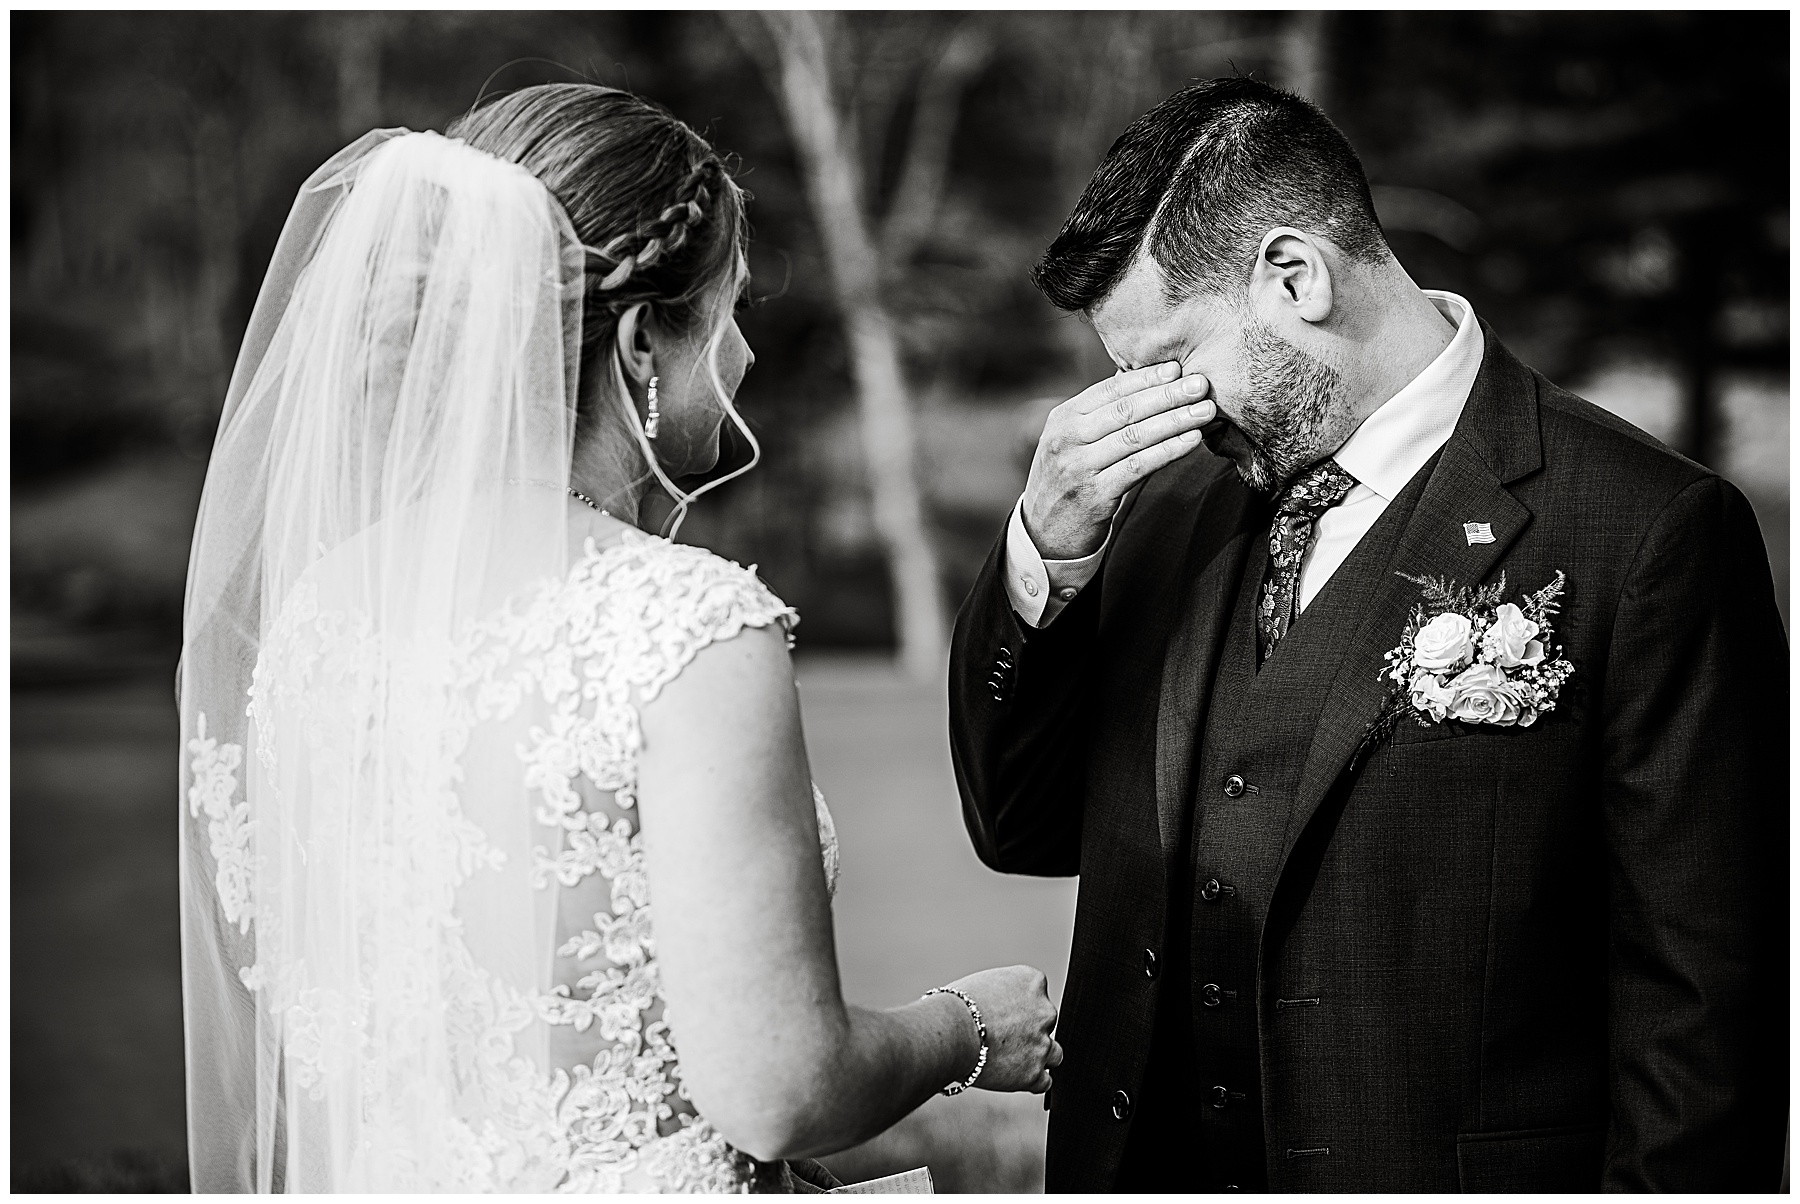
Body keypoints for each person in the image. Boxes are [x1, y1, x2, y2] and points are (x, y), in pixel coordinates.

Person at [177, 83, 1060, 1193]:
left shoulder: (324, 616)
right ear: (644, 341)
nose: (742, 357)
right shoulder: (684, 629)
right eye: (729, 310)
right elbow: (781, 1088)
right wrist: (966, 1024)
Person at [948, 77, 1786, 1192]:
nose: (1149, 408)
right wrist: (1047, 557)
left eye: (1167, 359)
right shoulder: (1156, 517)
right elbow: (1021, 826)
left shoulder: (1647, 531)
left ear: (1296, 277)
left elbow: (1704, 1008)